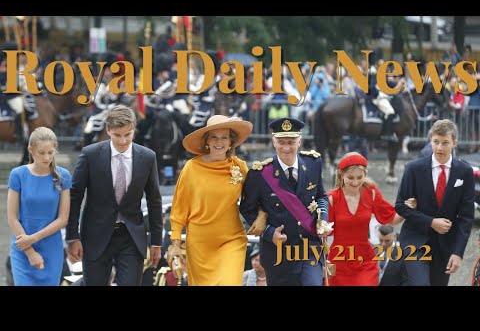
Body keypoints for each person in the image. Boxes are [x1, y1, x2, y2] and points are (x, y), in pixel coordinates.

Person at [66, 105, 163, 286]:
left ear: (134, 129)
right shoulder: (90, 155)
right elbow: (75, 196)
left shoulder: (148, 157)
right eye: (117, 135)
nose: (123, 141)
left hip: (131, 237)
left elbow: (154, 201)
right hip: (95, 235)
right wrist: (72, 236)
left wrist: (156, 242)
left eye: (128, 134)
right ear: (108, 130)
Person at [240, 117, 330, 286]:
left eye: (291, 141)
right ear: (273, 142)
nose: (286, 147)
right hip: (277, 253)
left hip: (309, 247)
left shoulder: (313, 163)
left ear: (299, 141)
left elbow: (321, 196)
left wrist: (322, 221)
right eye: (281, 142)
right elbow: (247, 209)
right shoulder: (260, 174)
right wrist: (268, 232)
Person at [166, 114, 254, 285]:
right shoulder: (191, 168)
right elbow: (179, 210)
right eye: (214, 137)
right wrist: (175, 243)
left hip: (232, 240)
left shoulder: (240, 167)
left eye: (224, 137)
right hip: (199, 246)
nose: (219, 142)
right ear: (206, 140)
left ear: (231, 141)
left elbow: (256, 199)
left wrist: (263, 217)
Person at [395, 119, 475, 286]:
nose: (439, 148)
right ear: (430, 140)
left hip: (445, 246)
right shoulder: (413, 168)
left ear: (454, 143)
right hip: (415, 241)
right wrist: (431, 222)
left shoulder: (465, 172)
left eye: (445, 143)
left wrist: (458, 253)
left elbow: (466, 217)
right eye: (436, 142)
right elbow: (400, 206)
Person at [326, 152, 414, 286]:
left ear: (365, 175)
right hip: (338, 260)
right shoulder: (331, 198)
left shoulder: (371, 192)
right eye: (350, 177)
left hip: (365, 260)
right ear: (341, 174)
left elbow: (391, 219)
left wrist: (408, 209)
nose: (355, 182)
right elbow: (325, 233)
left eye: (359, 177)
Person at [7, 127, 71, 285]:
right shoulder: (18, 174)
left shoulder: (63, 176)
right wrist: (29, 251)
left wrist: (33, 238)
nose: (47, 157)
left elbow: (63, 219)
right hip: (22, 248)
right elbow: (12, 218)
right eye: (41, 153)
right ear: (30, 150)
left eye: (50, 152)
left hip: (51, 248)